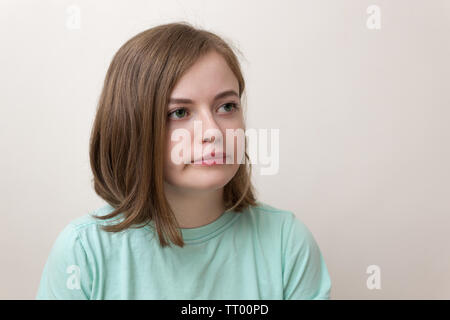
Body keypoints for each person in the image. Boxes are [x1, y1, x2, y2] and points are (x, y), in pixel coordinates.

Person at [36, 21, 332, 300]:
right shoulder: (83, 253)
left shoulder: (286, 244)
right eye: (180, 112)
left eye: (227, 106)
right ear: (131, 127)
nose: (213, 133)